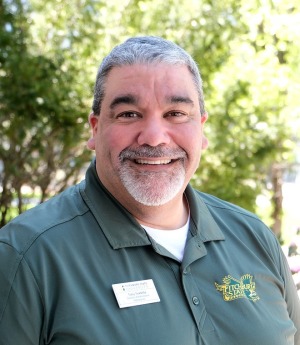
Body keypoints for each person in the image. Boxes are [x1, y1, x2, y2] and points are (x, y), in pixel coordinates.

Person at [0, 36, 299, 345]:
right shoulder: (24, 256)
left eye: (176, 114)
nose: (154, 137)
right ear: (95, 129)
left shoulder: (256, 238)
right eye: (129, 114)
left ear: (202, 128)